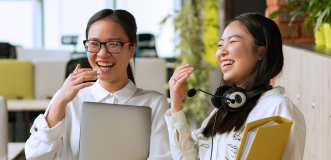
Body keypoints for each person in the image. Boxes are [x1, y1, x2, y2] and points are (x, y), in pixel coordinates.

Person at [25, 9, 171, 160]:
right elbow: (36, 157)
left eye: (113, 44)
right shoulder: (68, 99)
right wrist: (60, 101)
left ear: (132, 48)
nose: (102, 53)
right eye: (94, 43)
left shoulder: (155, 104)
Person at [165, 12, 306, 160]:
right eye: (220, 45)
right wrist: (176, 106)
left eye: (232, 42)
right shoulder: (223, 110)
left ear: (261, 52)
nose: (221, 52)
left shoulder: (277, 108)